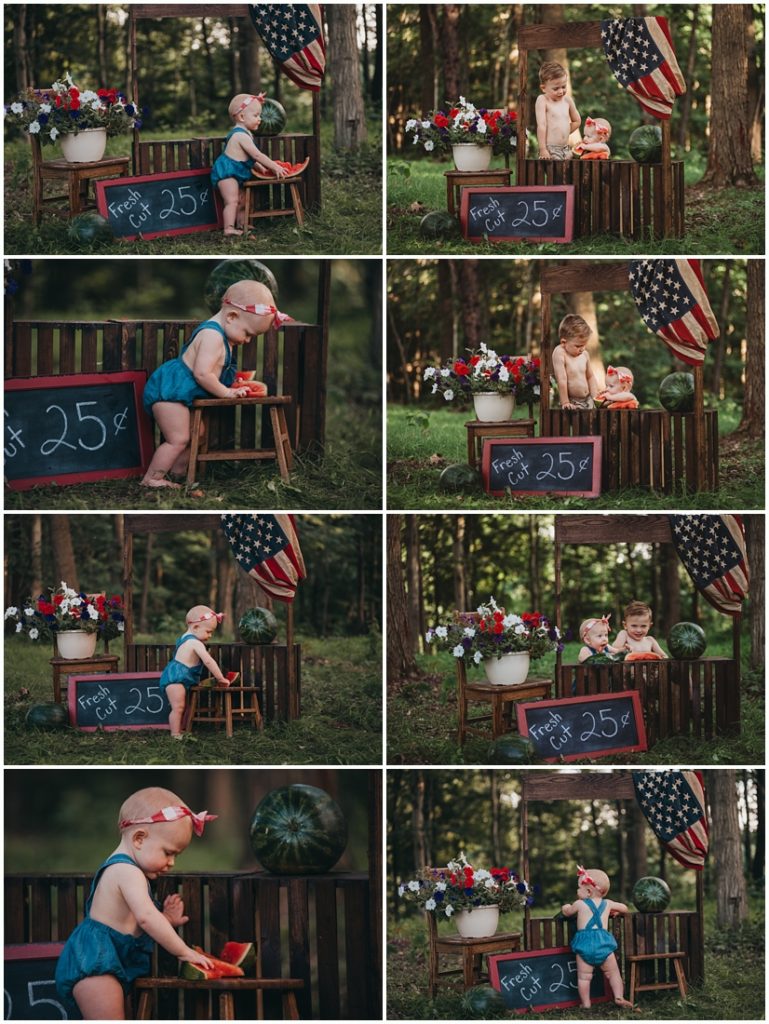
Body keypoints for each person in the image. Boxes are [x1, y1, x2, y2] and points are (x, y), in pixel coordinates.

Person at [55, 787, 216, 1020]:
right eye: (168, 852)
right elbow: (146, 918)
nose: (171, 863)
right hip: (97, 961)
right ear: (139, 839)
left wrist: (167, 920)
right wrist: (184, 952)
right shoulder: (126, 871)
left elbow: (133, 919)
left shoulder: (130, 870)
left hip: (110, 960)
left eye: (176, 856)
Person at [141, 279, 291, 490]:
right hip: (169, 390)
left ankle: (177, 474)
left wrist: (232, 382)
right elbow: (202, 374)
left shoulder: (222, 336)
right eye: (247, 333)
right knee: (179, 438)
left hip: (180, 394)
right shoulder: (212, 335)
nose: (247, 341)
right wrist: (226, 392)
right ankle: (152, 478)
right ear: (231, 317)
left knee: (197, 434)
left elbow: (213, 372)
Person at [210, 93, 288, 236]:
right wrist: (274, 166)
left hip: (236, 171)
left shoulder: (246, 134)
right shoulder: (240, 135)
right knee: (232, 201)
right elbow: (257, 155)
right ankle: (228, 228)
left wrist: (259, 167)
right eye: (256, 115)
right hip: (227, 172)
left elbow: (247, 157)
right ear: (241, 117)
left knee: (242, 200)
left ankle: (241, 224)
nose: (260, 119)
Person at [562, 866, 633, 1009]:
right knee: (613, 973)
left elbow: (568, 912)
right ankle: (619, 997)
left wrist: (565, 906)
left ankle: (586, 1004)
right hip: (603, 943)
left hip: (585, 944)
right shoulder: (608, 904)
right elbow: (625, 908)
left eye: (579, 888)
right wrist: (616, 912)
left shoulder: (579, 904)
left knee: (584, 977)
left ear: (588, 892)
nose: (577, 891)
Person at [160, 605, 232, 737]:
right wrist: (221, 678)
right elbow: (208, 661)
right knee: (178, 708)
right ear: (196, 627)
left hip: (180, 676)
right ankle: (175, 734)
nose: (210, 636)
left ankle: (181, 730)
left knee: (182, 707)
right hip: (176, 677)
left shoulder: (185, 637)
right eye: (208, 631)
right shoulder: (195, 643)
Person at [552, 314, 599, 410]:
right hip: (572, 402)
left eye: (584, 345)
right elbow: (562, 379)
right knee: (577, 423)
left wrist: (595, 397)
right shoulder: (560, 353)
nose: (582, 349)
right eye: (578, 346)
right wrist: (565, 402)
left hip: (588, 400)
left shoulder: (585, 354)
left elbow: (590, 376)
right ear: (563, 342)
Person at [535, 61, 580, 161]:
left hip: (566, 148)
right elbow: (541, 125)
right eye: (556, 88)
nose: (561, 91)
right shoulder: (543, 100)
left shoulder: (567, 100)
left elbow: (577, 121)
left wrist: (563, 131)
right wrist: (543, 149)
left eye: (563, 87)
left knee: (569, 174)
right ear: (543, 88)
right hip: (550, 149)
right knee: (556, 173)